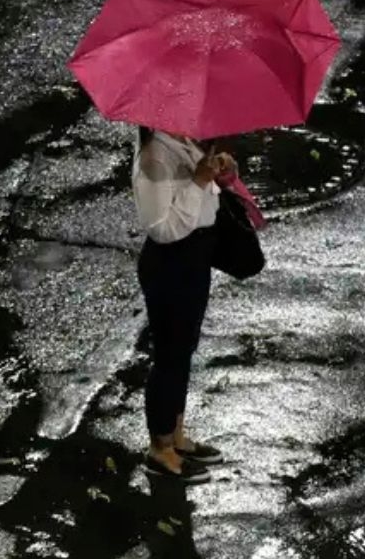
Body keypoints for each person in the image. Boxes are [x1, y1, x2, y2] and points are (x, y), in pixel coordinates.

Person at [132, 125, 236, 483]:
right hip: (170, 263)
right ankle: (160, 449)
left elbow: (205, 204)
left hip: (194, 258)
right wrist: (197, 182)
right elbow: (162, 229)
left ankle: (175, 433)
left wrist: (219, 177)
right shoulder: (154, 157)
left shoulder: (185, 143)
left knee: (184, 350)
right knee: (169, 356)